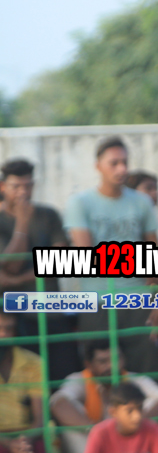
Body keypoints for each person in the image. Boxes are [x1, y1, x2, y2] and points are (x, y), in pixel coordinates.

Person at [65, 137, 158, 375]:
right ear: (98, 166)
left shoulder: (141, 202)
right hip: (97, 301)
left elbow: (156, 259)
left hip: (138, 301)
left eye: (125, 162)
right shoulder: (80, 203)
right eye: (114, 163)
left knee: (146, 373)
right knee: (100, 373)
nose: (121, 169)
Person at [0, 158, 76, 380]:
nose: (23, 192)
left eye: (28, 185)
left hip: (52, 309)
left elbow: (61, 262)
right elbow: (12, 264)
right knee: (30, 378)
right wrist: (22, 223)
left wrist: (16, 279)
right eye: (16, 186)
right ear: (3, 187)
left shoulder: (48, 215)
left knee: (65, 374)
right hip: (18, 316)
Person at [50, 340, 158, 453]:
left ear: (124, 359)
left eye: (116, 359)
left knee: (151, 404)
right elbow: (58, 404)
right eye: (103, 362)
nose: (111, 366)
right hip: (95, 440)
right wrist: (96, 431)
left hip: (130, 442)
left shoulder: (134, 379)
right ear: (89, 364)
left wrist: (136, 423)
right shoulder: (79, 380)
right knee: (71, 416)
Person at [0, 311, 63, 453]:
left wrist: (24, 440)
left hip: (26, 432)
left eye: (9, 329)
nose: (4, 335)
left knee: (34, 452)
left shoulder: (33, 362)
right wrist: (10, 443)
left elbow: (40, 418)